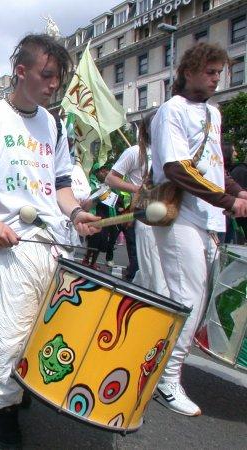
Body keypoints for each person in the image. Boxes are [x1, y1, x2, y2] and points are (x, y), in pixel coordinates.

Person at [0, 34, 98, 447]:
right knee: (9, 334)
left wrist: (77, 214)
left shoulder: (55, 124)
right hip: (11, 244)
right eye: (47, 76)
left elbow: (61, 185)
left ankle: (19, 386)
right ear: (21, 72)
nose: (54, 85)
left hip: (56, 244)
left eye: (59, 78)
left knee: (44, 330)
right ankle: (2, 409)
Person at [150, 42, 247, 416]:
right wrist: (228, 199)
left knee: (191, 299)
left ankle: (160, 364)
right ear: (187, 71)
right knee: (187, 299)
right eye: (210, 71)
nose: (216, 78)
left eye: (219, 73)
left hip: (207, 220)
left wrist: (237, 191)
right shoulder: (171, 110)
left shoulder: (214, 112)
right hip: (178, 217)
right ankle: (167, 380)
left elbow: (215, 165)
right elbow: (175, 167)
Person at [106, 113, 169, 294]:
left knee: (165, 270)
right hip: (146, 216)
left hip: (170, 215)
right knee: (152, 271)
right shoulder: (135, 152)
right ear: (149, 129)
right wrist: (137, 189)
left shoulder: (171, 150)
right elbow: (111, 178)